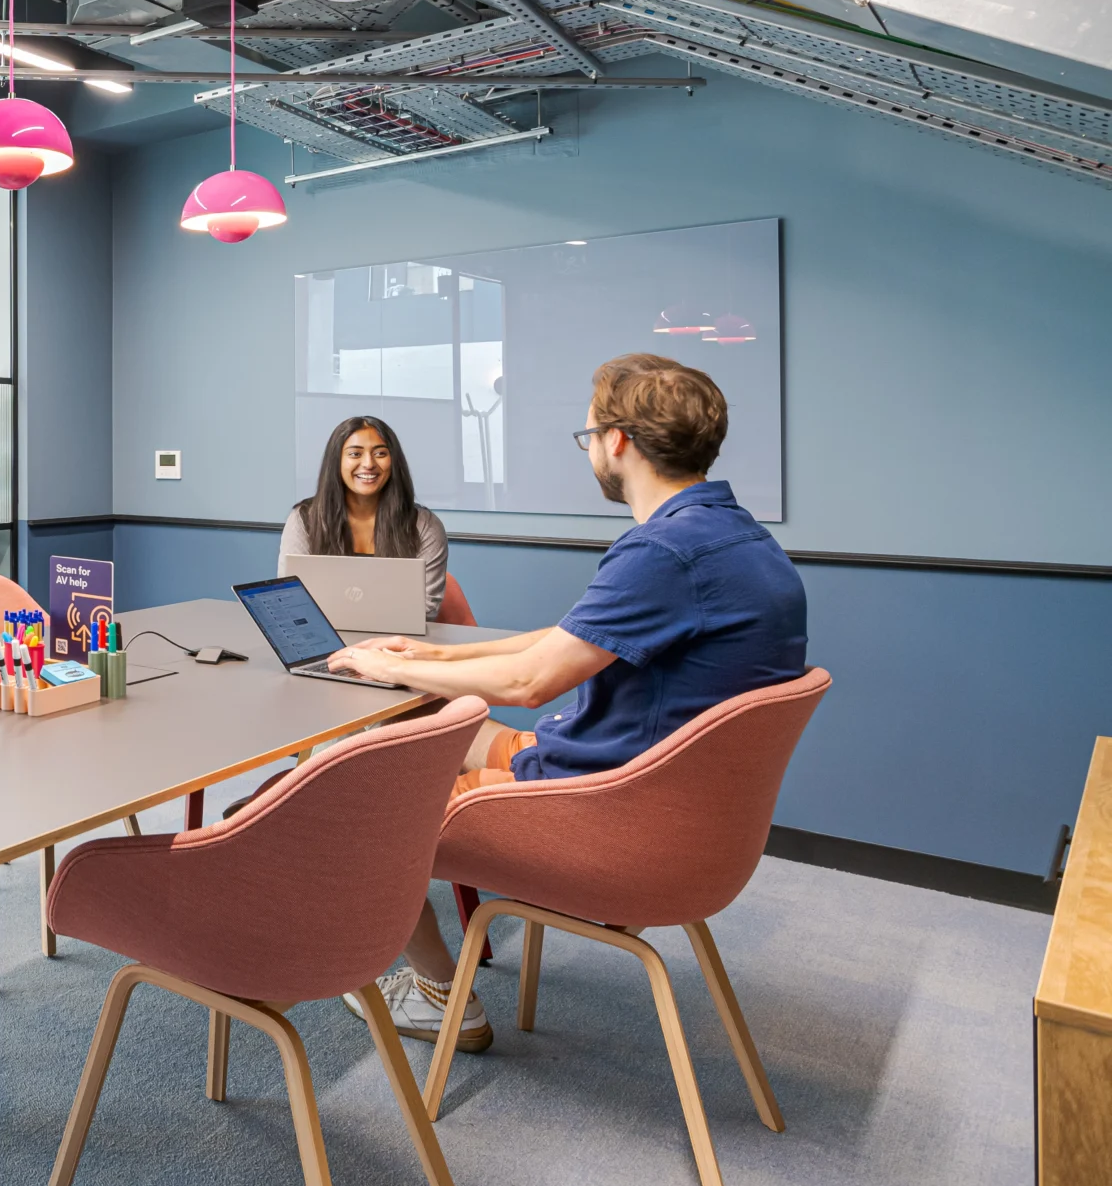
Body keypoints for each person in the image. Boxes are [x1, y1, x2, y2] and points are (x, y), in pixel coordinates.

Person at [326, 353, 807, 1051]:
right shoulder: (739, 538)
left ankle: (435, 994)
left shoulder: (664, 552)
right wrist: (432, 658)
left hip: (609, 811)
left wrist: (373, 660)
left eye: (587, 437)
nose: (590, 450)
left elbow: (530, 684)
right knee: (434, 719)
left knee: (357, 800)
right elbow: (565, 639)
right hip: (658, 795)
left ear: (618, 440)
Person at [280, 416, 449, 621]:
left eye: (380, 453)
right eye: (355, 454)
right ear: (337, 461)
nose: (368, 464)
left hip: (395, 642)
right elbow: (290, 597)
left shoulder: (424, 525)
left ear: (393, 461)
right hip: (324, 640)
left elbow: (426, 608)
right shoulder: (304, 519)